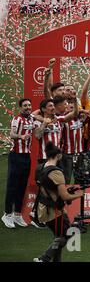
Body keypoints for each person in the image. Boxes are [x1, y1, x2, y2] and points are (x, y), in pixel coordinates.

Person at [32, 142, 84, 262]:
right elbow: (65, 197)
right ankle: (44, 258)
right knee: (68, 234)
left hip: (42, 207)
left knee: (59, 236)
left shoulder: (40, 167)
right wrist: (79, 194)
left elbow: (48, 187)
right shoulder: (56, 172)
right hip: (54, 210)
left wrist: (66, 191)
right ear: (58, 155)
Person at [2, 98, 34, 229]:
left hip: (27, 156)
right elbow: (12, 134)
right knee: (12, 186)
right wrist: (21, 136)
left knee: (22, 186)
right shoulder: (17, 119)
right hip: (16, 156)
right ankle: (7, 214)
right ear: (20, 107)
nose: (28, 107)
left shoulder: (32, 119)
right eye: (25, 105)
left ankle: (17, 214)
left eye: (29, 105)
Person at [60, 99, 88, 184]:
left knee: (80, 177)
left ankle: (78, 196)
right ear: (66, 108)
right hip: (67, 153)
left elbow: (89, 114)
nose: (74, 110)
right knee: (67, 177)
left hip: (79, 152)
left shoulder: (80, 118)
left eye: (75, 108)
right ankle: (65, 195)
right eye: (71, 107)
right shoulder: (63, 119)